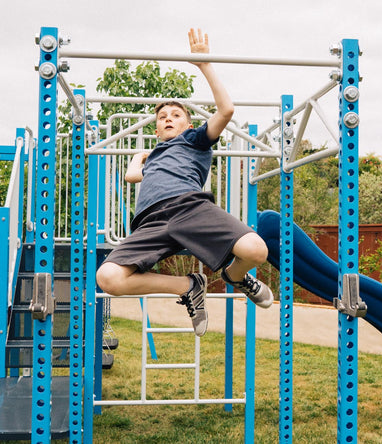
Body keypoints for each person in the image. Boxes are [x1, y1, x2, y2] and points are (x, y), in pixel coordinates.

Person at [96, 28, 273, 337]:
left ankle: (235, 276)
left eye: (175, 114)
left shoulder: (193, 141)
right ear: (156, 130)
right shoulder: (156, 158)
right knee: (108, 278)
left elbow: (226, 110)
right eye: (162, 116)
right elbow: (131, 175)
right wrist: (143, 155)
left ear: (188, 125)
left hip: (191, 209)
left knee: (257, 251)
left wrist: (204, 64)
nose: (167, 117)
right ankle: (188, 286)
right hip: (150, 222)